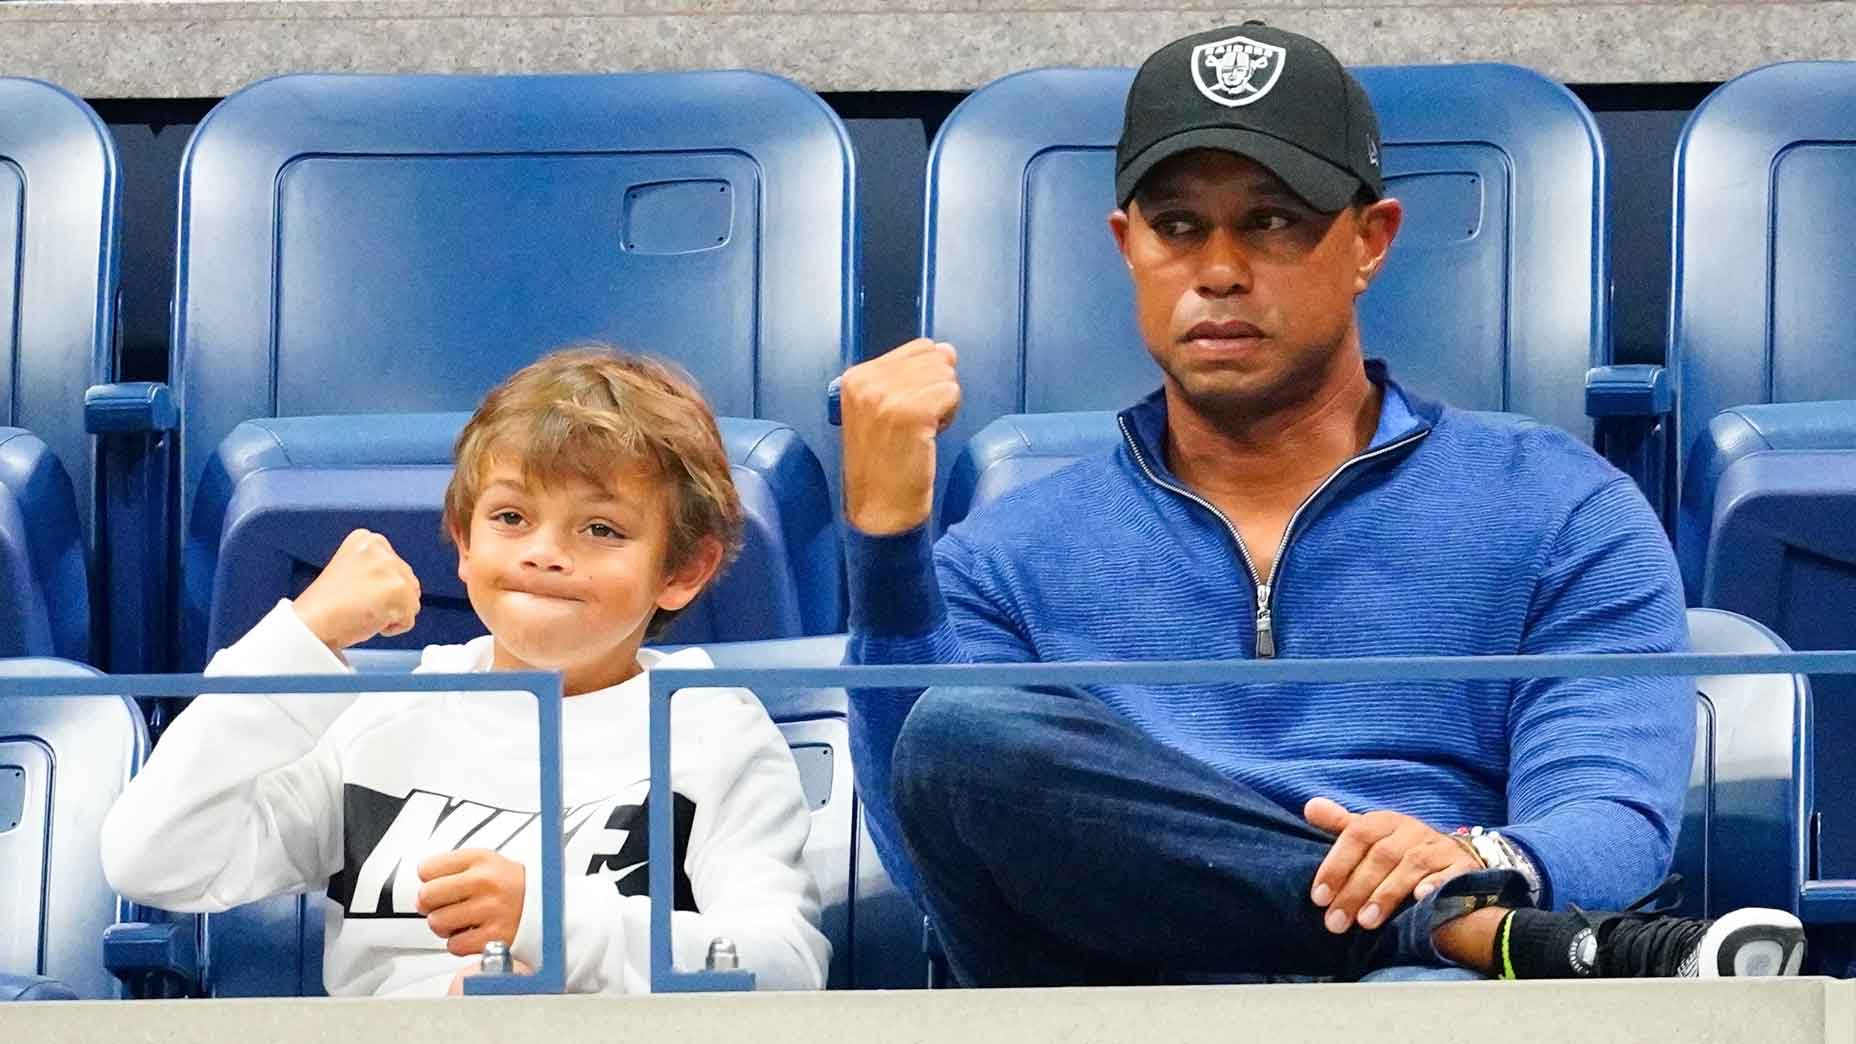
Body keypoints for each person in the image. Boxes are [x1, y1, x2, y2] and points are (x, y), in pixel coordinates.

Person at [834, 23, 1805, 985]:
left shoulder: (1558, 510)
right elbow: (938, 850)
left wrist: (1478, 862)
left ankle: (1427, 933)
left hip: (1420, 1014)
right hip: (1121, 1004)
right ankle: (1427, 925)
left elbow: (1605, 819)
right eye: (1176, 226)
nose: (1217, 268)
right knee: (961, 732)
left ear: (1367, 242)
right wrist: (886, 555)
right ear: (1126, 247)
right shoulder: (1007, 553)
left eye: (1270, 219)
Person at [102, 347, 830, 996]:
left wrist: (553, 927)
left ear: (683, 570)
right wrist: (300, 637)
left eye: (601, 528)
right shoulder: (379, 719)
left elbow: (787, 968)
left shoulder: (712, 732)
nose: (544, 552)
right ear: (461, 541)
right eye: (511, 518)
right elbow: (152, 858)